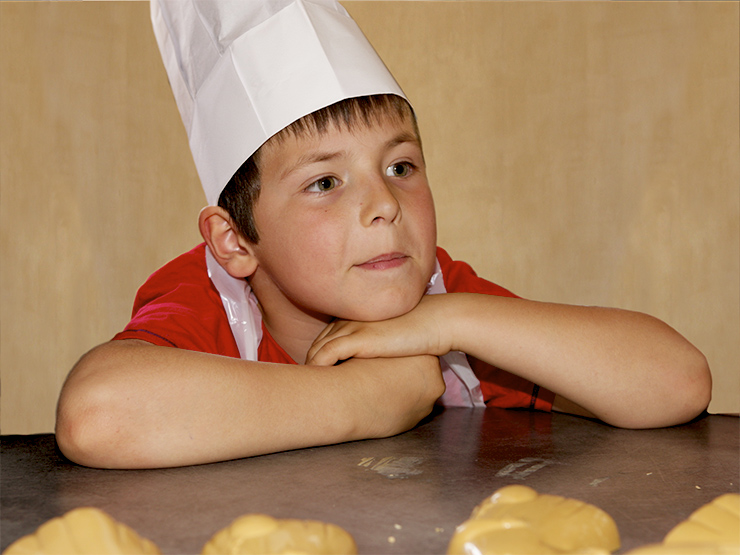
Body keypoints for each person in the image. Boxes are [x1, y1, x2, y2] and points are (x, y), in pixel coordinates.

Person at [55, 0, 711, 470]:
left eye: (400, 167)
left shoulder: (442, 304)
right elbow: (98, 415)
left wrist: (453, 319)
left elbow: (677, 383)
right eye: (324, 183)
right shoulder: (211, 298)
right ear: (234, 242)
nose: (383, 206)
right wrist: (359, 401)